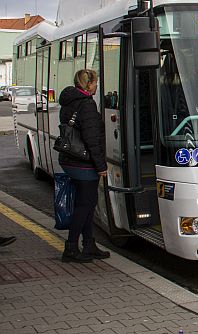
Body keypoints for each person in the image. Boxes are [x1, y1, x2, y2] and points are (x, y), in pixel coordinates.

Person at [58, 69, 110, 263]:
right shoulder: (87, 105)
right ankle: (71, 247)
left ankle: (88, 244)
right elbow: (92, 139)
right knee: (85, 205)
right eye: (95, 82)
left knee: (87, 203)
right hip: (84, 163)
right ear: (88, 84)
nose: (97, 86)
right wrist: (101, 166)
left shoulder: (69, 101)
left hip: (70, 159)